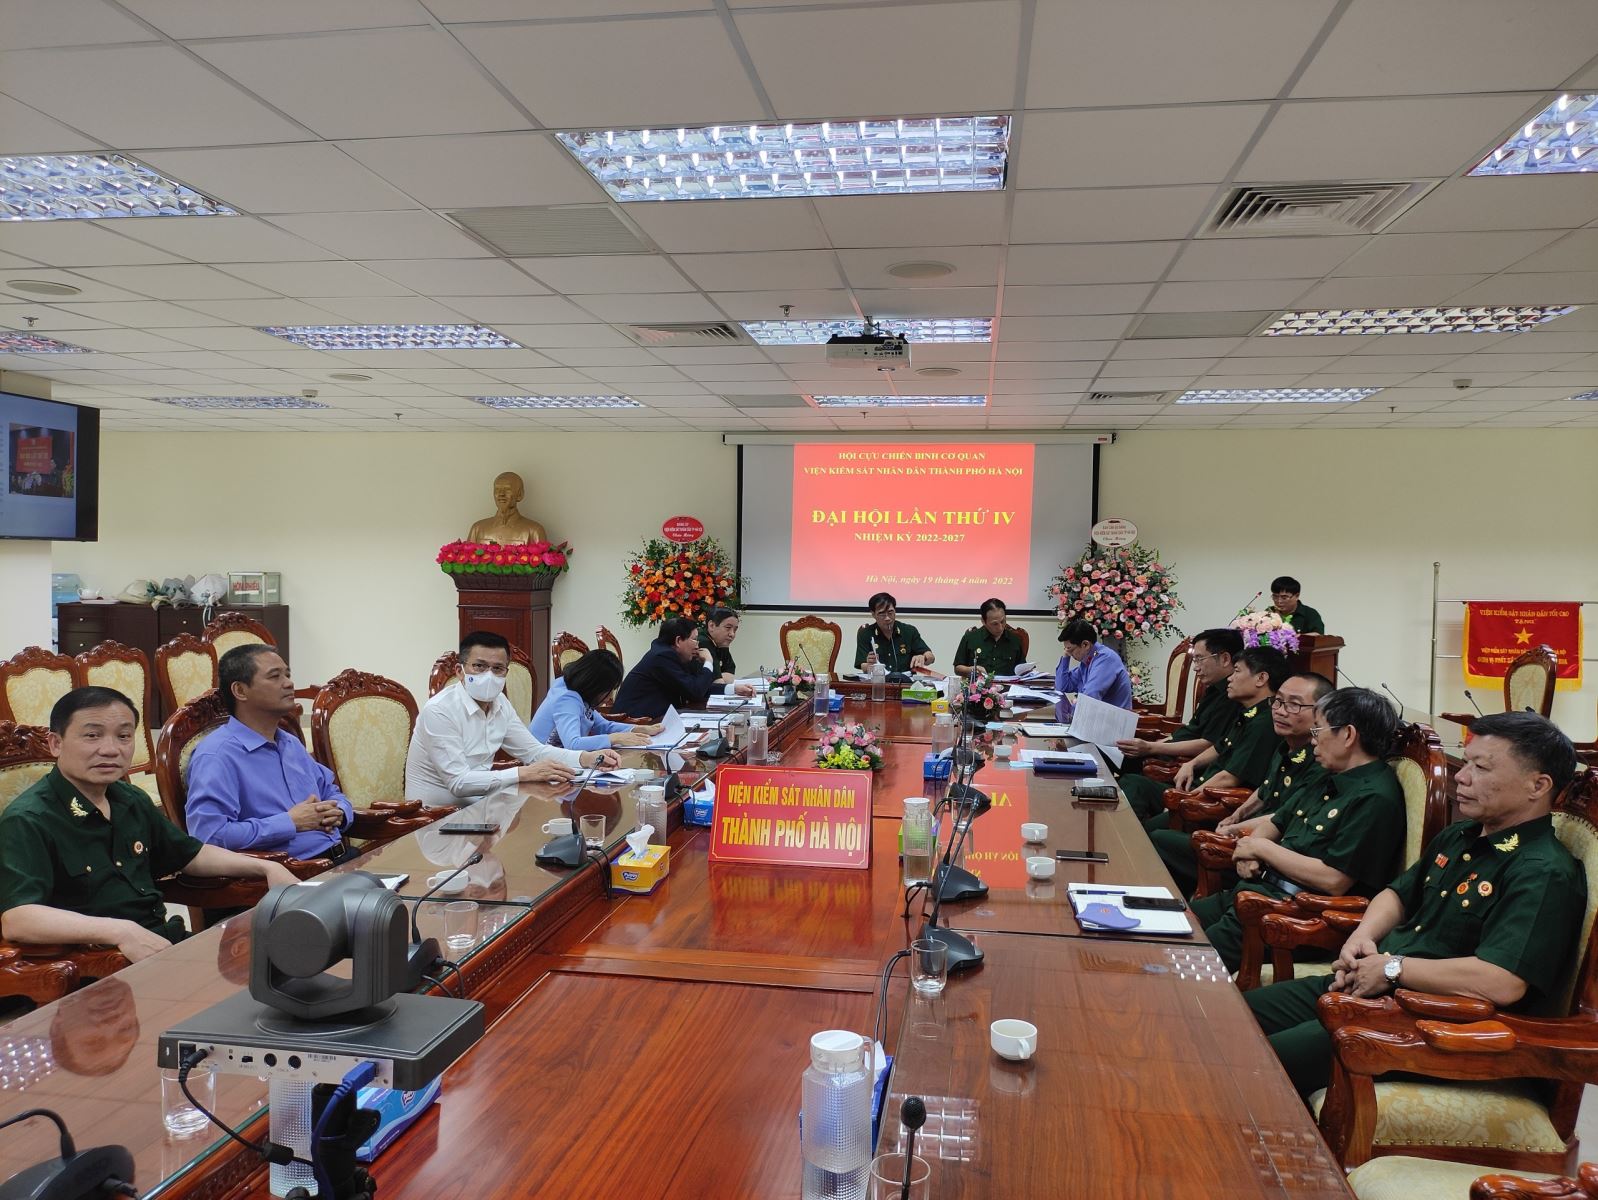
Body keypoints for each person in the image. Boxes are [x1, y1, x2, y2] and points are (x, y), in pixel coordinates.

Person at [1247, 711, 1586, 1097]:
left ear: (1537, 785)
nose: (1462, 777)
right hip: (1373, 987)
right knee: (1235, 1015)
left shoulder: (1542, 871)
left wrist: (1393, 968)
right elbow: (1397, 894)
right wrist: (1363, 937)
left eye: (1481, 767)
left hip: (1435, 1026)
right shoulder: (1461, 835)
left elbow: (1501, 982)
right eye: (1466, 763)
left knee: (1258, 1062)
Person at [0, 687, 298, 964]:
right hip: (97, 964)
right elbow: (19, 919)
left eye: (123, 736)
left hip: (161, 944)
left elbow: (190, 855)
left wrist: (265, 867)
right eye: (92, 736)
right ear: (56, 743)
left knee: (282, 963)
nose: (110, 749)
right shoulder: (29, 819)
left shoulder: (127, 798)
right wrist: (119, 931)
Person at [1190, 687, 1405, 973]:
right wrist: (1250, 853)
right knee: (1176, 920)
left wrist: (1261, 849)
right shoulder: (1329, 775)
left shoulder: (1375, 798)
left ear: (1348, 734)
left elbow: (1333, 880)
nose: (1313, 740)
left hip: (1296, 915)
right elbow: (1275, 823)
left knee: (1187, 959)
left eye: (1318, 730)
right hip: (1257, 893)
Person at [1150, 671, 1333, 896]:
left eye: (1294, 705)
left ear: (1322, 714)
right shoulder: (1286, 744)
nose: (1280, 711)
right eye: (1278, 701)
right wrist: (1237, 815)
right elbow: (1265, 790)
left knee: (1161, 840)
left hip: (1270, 851)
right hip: (1250, 834)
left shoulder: (1321, 760)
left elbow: (1286, 816)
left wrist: (1240, 831)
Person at [406, 632, 618, 805]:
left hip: (482, 806)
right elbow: (458, 782)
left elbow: (535, 752)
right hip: (435, 818)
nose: (489, 675)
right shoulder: (439, 711)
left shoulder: (500, 703)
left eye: (497, 668)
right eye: (479, 666)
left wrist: (587, 758)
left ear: (506, 672)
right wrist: (522, 773)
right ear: (460, 671)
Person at [187, 644, 353, 861]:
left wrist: (340, 811)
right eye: (275, 676)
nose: (289, 683)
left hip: (341, 858)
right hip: (293, 871)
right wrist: (289, 823)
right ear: (240, 691)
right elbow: (208, 837)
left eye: (287, 675)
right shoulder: (216, 756)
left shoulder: (290, 743)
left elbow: (331, 791)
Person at [1125, 645, 1289, 822]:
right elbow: (1219, 747)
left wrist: (1184, 799)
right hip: (1198, 787)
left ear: (1261, 678)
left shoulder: (1263, 723)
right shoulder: (1248, 713)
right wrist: (1192, 764)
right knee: (1133, 783)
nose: (1230, 678)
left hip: (1213, 801)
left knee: (1144, 815)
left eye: (1236, 671)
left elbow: (1229, 778)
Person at [1115, 628, 1245, 768]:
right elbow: (1190, 730)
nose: (1195, 668)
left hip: (1185, 763)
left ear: (1225, 659)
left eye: (1200, 659)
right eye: (1195, 660)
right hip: (1172, 752)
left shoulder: (1232, 695)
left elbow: (1208, 744)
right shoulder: (1213, 689)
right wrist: (1151, 746)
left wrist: (1151, 748)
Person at [614, 617, 756, 721]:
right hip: (635, 722)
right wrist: (709, 662)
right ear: (678, 641)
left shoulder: (672, 654)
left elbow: (696, 686)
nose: (697, 645)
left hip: (657, 719)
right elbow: (695, 691)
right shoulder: (662, 657)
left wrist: (733, 689)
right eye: (694, 639)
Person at [531, 650, 663, 751]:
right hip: (541, 765)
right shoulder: (566, 699)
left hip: (560, 760)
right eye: (609, 690)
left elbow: (603, 726)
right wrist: (613, 738)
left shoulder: (580, 694)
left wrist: (639, 729)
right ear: (596, 685)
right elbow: (573, 744)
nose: (610, 696)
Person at [1054, 618, 1133, 716]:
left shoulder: (1106, 659)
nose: (1069, 653)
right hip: (1099, 719)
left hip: (1114, 721)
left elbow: (1090, 697)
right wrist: (1065, 657)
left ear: (1085, 644)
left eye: (1070, 649)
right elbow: (1062, 686)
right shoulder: (1086, 663)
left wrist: (1070, 713)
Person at [854, 593, 933, 674]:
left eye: (890, 612)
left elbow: (931, 657)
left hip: (905, 680)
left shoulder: (909, 631)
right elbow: (863, 665)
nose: (887, 618)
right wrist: (870, 665)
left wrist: (923, 657)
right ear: (873, 614)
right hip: (879, 679)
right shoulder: (866, 633)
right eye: (882, 614)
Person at [953, 598, 1027, 678]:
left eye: (1002, 621)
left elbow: (1023, 669)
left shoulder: (1014, 640)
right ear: (983, 621)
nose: (1000, 628)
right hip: (979, 684)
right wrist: (971, 669)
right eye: (995, 624)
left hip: (1007, 685)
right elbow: (957, 668)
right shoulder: (971, 638)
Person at [697, 607, 742, 683]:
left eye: (735, 630)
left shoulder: (721, 643)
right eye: (728, 628)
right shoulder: (702, 642)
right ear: (711, 626)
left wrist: (721, 679)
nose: (732, 634)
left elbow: (730, 675)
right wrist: (721, 678)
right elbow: (718, 682)